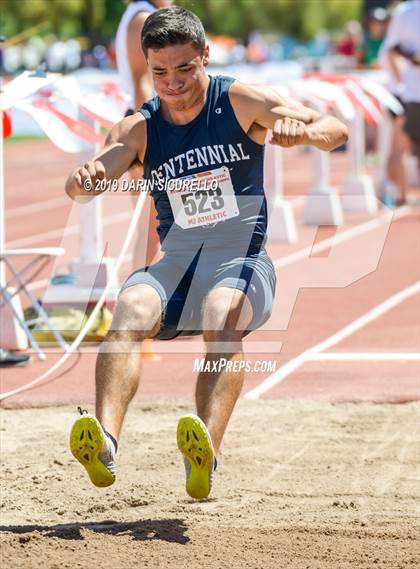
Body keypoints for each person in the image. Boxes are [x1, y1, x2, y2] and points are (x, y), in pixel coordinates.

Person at [65, 7, 347, 500]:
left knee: (221, 312)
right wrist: (86, 180)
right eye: (159, 73)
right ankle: (105, 442)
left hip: (240, 260)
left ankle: (205, 451)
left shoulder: (240, 101)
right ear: (147, 68)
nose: (172, 83)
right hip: (176, 266)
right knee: (129, 308)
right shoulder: (140, 128)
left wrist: (306, 133)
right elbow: (86, 180)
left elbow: (334, 128)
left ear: (205, 57)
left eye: (184, 69)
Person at [115, 0, 172, 269]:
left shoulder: (142, 15)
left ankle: (143, 296)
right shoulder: (142, 18)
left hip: (148, 122)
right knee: (153, 225)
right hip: (147, 124)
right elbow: (142, 81)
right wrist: (146, 141)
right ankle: (140, 298)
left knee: (154, 226)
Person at [381, 0, 420, 182]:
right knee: (405, 147)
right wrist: (401, 86)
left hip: (409, 92)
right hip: (413, 94)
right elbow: (392, 48)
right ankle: (400, 195)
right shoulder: (405, 12)